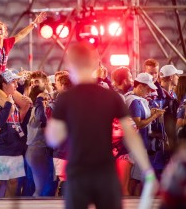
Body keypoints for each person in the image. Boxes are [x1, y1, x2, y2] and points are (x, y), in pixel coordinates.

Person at [46, 42, 156, 209]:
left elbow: (54, 138)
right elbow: (132, 135)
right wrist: (148, 170)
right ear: (94, 63)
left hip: (78, 172)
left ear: (71, 64)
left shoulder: (65, 99)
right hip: (105, 172)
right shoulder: (111, 97)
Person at [0, 70, 26, 198]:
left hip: (15, 149)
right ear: (4, 84)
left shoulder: (12, 101)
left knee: (13, 182)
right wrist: (8, 106)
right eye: (13, 82)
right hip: (1, 149)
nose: (16, 85)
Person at [110, 67, 135, 195]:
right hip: (119, 148)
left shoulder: (114, 94)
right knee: (123, 190)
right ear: (124, 80)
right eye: (130, 77)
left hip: (114, 147)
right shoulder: (118, 96)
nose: (132, 80)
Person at [25, 85, 50, 197]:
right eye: (45, 96)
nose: (47, 100)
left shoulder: (36, 110)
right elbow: (41, 118)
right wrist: (39, 100)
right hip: (36, 150)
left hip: (34, 151)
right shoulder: (37, 110)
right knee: (39, 189)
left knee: (37, 186)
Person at [51, 73, 72, 196]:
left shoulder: (60, 103)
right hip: (73, 150)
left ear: (63, 85)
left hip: (63, 150)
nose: (55, 86)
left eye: (57, 84)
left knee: (64, 182)